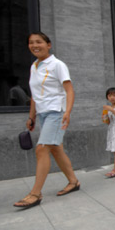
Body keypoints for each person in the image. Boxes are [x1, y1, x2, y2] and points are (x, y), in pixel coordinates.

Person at [14, 32, 80, 208]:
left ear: (48, 44)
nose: (35, 45)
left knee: (42, 149)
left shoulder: (57, 65)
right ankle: (73, 181)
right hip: (42, 114)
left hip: (56, 112)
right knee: (56, 149)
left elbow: (69, 90)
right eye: (31, 43)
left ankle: (35, 193)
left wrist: (67, 111)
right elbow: (35, 96)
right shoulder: (34, 66)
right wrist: (32, 116)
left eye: (39, 42)